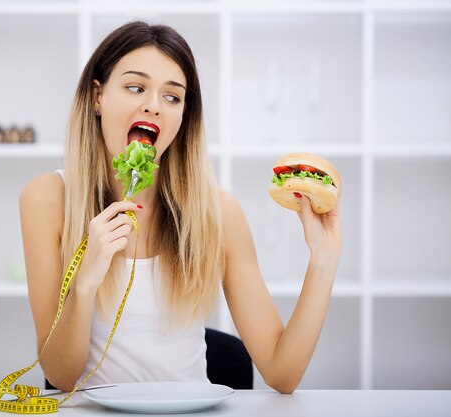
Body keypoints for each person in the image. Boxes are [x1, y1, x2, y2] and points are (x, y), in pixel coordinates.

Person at [19, 21, 341, 394]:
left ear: (184, 116)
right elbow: (60, 376)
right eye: (135, 87)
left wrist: (324, 259)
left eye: (172, 97)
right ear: (97, 97)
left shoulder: (218, 213)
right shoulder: (46, 199)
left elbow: (282, 373)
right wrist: (86, 281)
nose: (153, 106)